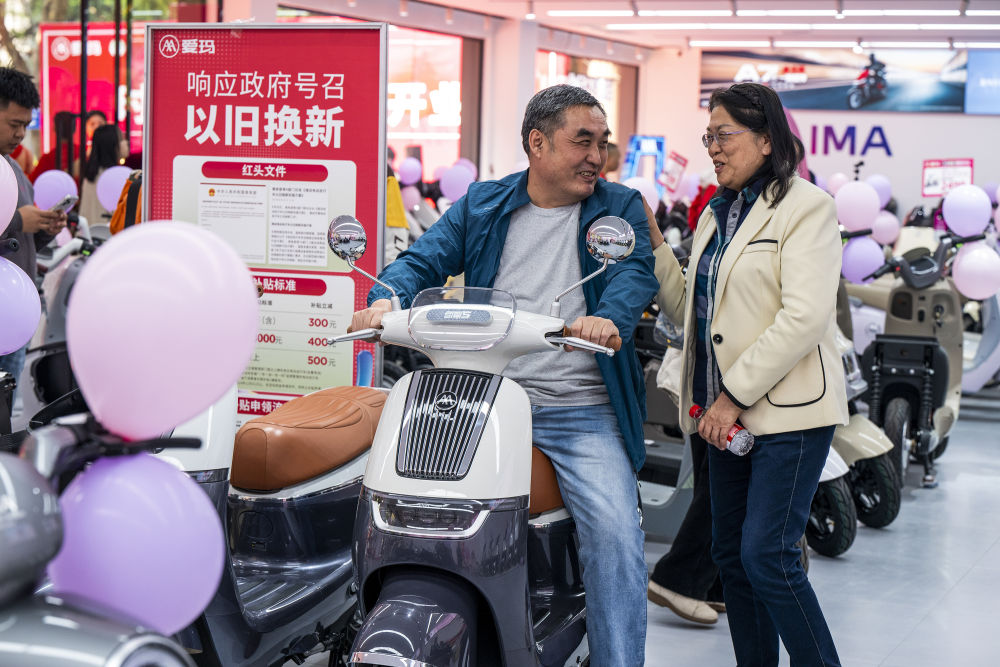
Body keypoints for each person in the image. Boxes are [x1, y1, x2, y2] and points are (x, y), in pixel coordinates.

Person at [349, 84, 658, 666]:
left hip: (576, 407)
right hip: (482, 400)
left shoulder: (620, 208)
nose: (597, 156)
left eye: (602, 143)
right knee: (402, 505)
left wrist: (609, 319)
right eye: (583, 141)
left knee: (616, 536)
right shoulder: (484, 203)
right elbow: (423, 258)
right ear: (537, 144)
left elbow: (634, 273)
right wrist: (386, 298)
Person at [649, 82, 848, 666]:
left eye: (724, 135)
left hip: (786, 414)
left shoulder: (808, 207)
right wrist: (655, 243)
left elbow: (804, 316)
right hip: (721, 419)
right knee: (732, 557)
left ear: (766, 139)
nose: (713, 147)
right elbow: (691, 312)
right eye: (707, 136)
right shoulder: (718, 214)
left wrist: (732, 396)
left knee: (768, 556)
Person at [0, 68, 67, 392]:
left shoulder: (14, 170)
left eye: (26, 126)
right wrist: (17, 221)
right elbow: (14, 227)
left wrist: (43, 228)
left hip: (15, 317)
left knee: (6, 408)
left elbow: (20, 245)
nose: (21, 134)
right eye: (14, 124)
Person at [79, 124, 126, 225]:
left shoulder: (91, 175)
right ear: (113, 145)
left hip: (91, 231)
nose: (126, 143)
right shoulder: (117, 177)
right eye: (121, 140)